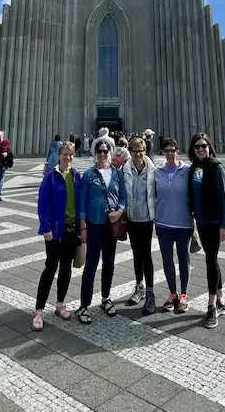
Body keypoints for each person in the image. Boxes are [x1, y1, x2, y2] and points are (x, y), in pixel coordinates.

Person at [76, 138, 127, 324]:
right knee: (91, 264)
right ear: (95, 153)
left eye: (106, 151)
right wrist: (82, 226)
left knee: (109, 263)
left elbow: (123, 196)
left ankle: (106, 298)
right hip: (94, 225)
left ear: (111, 153)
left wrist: (120, 211)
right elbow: (82, 202)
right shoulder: (89, 174)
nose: (103, 154)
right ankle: (84, 304)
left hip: (110, 226)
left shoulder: (116, 173)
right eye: (100, 151)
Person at [32, 142, 82, 331]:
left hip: (71, 230)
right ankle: (38, 310)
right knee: (51, 267)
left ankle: (60, 303)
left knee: (66, 269)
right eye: (65, 154)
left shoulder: (76, 176)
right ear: (59, 156)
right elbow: (43, 205)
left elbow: (80, 204)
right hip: (54, 232)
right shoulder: (51, 178)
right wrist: (46, 228)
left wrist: (81, 228)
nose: (68, 158)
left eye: (71, 155)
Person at [188, 133, 225, 329]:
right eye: (197, 146)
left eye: (204, 146)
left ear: (209, 147)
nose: (201, 149)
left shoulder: (216, 167)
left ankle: (211, 305)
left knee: (210, 260)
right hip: (202, 222)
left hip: (214, 222)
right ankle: (222, 299)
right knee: (211, 258)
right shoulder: (194, 168)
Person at [155, 137, 192, 313]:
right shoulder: (157, 172)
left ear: (178, 151)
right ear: (163, 152)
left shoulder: (188, 170)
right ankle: (172, 293)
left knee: (184, 259)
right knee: (167, 260)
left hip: (184, 224)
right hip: (162, 223)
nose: (170, 153)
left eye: (173, 150)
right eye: (167, 150)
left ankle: (184, 294)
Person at [122, 136, 156, 314]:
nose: (137, 154)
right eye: (134, 151)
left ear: (145, 151)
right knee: (136, 253)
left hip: (146, 219)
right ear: (131, 152)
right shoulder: (125, 169)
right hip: (132, 219)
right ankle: (139, 286)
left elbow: (158, 192)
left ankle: (150, 293)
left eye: (140, 151)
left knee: (146, 254)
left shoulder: (152, 171)